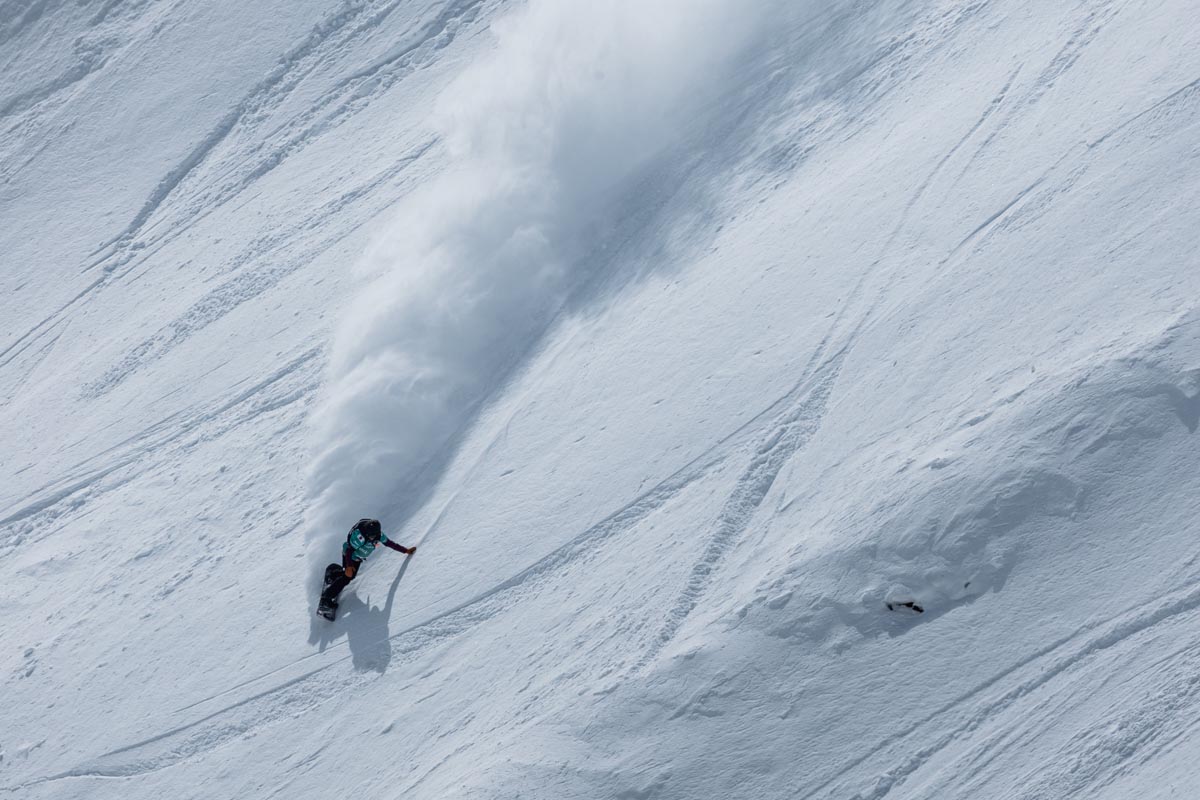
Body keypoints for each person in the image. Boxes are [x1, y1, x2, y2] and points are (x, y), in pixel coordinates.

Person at [318, 518, 415, 617]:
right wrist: (349, 567)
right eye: (369, 535)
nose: (371, 537)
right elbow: (349, 550)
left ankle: (334, 574)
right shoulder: (360, 536)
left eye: (373, 536)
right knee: (347, 578)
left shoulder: (379, 535)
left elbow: (390, 544)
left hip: (357, 558)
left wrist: (405, 550)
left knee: (350, 576)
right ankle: (325, 600)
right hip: (350, 556)